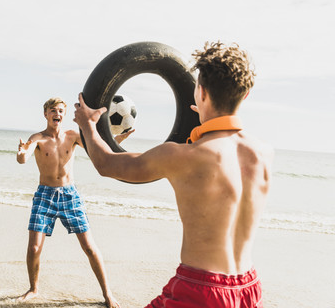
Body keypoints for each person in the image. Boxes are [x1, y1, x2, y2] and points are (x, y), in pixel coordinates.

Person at [74, 42, 273, 307]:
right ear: (245, 94)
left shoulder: (181, 156)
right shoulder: (263, 153)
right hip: (249, 289)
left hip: (200, 290)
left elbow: (106, 164)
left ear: (200, 92)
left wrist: (87, 125)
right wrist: (205, 121)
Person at [16, 97, 133, 308]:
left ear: (64, 114)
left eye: (60, 110)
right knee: (34, 248)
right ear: (46, 114)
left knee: (89, 247)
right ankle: (33, 289)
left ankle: (107, 294)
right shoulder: (38, 138)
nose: (57, 114)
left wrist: (117, 140)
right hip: (44, 196)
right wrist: (22, 152)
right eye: (53, 110)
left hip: (70, 195)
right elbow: (23, 157)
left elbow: (97, 149)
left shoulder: (73, 136)